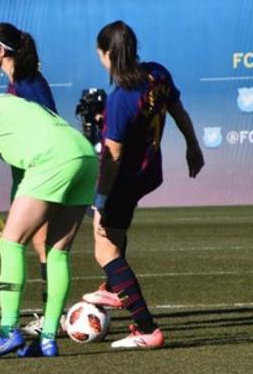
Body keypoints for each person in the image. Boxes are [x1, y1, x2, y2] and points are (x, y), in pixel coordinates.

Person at [0, 63, 96, 359]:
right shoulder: (10, 104)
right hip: (84, 157)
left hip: (53, 160)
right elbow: (21, 177)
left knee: (10, 244)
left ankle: (7, 333)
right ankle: (47, 339)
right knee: (57, 251)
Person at [83, 21, 204, 350]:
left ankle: (146, 327)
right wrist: (193, 146)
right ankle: (112, 289)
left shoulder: (121, 98)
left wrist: (100, 198)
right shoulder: (157, 74)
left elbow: (113, 156)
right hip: (147, 172)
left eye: (100, 53)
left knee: (104, 248)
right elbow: (177, 110)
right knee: (116, 236)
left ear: (108, 54)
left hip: (126, 178)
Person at [0, 22, 58, 338]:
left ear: (2, 51)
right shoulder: (20, 83)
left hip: (41, 173)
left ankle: (48, 320)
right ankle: (49, 317)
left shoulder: (27, 87)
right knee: (40, 245)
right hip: (29, 175)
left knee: (39, 245)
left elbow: (48, 130)